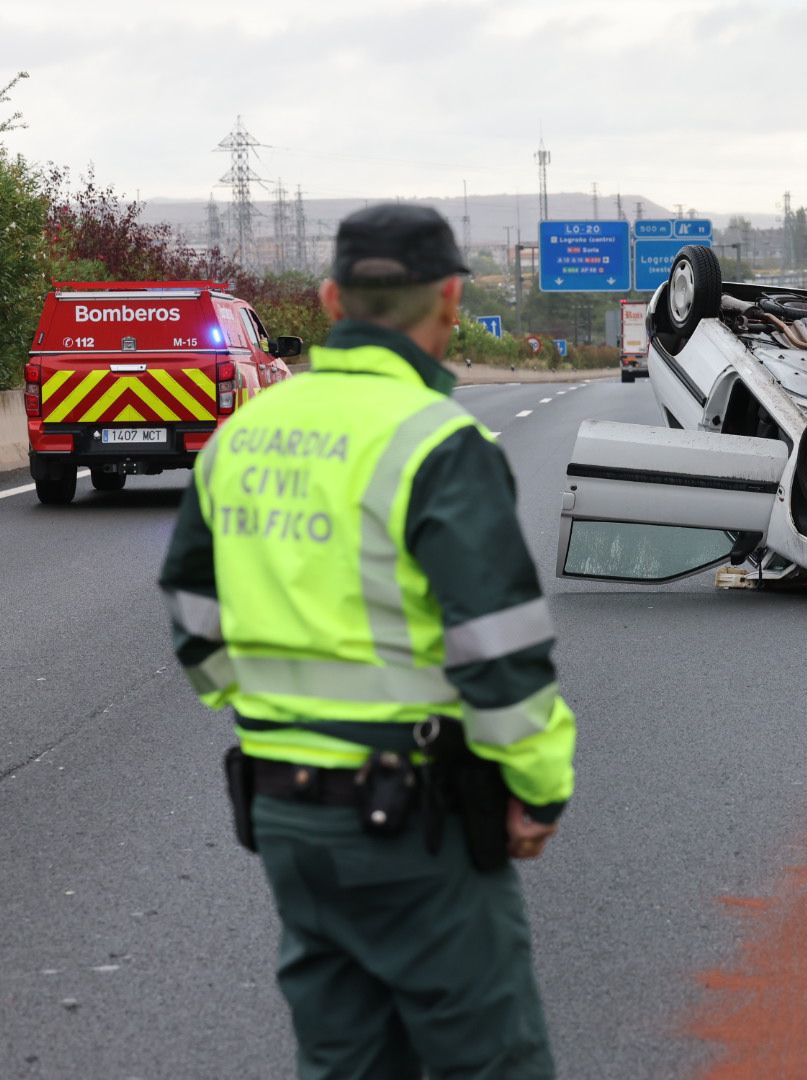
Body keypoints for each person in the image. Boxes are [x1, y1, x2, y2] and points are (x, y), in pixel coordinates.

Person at [159, 204, 574, 1079]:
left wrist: (266, 711)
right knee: (491, 1061)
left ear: (330, 298)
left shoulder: (240, 436)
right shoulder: (436, 442)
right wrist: (538, 789)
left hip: (282, 812)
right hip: (412, 819)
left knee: (343, 1061)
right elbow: (498, 648)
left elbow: (193, 617)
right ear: (452, 301)